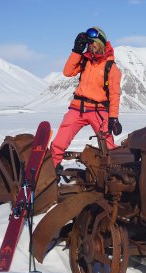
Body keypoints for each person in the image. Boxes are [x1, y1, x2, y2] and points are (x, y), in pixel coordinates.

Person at [50, 26, 123, 172]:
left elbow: (115, 95)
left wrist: (113, 118)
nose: (90, 47)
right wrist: (76, 51)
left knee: (108, 146)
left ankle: (115, 176)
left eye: (93, 43)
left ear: (101, 43)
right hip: (77, 108)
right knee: (58, 143)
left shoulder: (111, 67)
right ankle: (50, 172)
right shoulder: (84, 60)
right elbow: (67, 72)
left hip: (98, 110)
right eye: (89, 44)